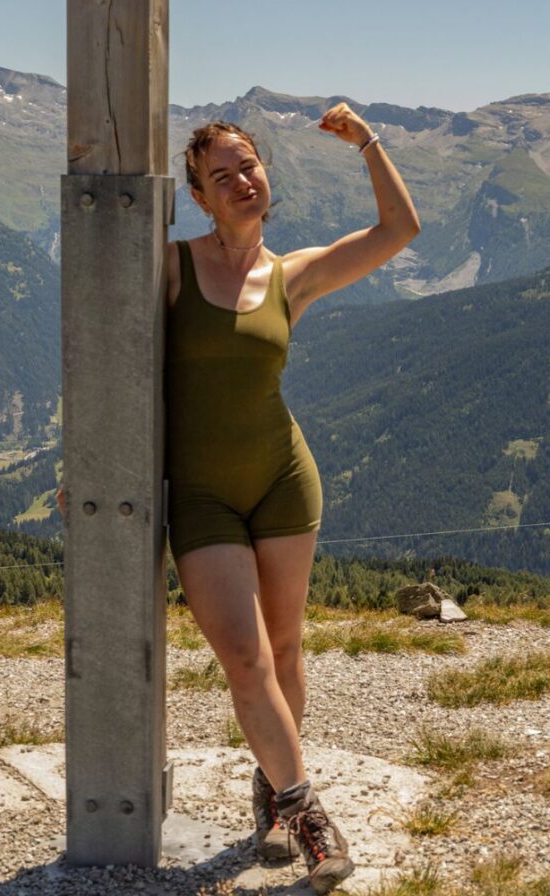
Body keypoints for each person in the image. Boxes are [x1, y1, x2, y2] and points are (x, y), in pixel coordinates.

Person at [167, 108, 417, 893]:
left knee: (284, 652)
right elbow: (107, 348)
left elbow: (398, 229)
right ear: (200, 198)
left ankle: (271, 790)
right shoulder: (170, 267)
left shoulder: (292, 274)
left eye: (250, 166)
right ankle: (310, 816)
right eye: (222, 175)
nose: (242, 181)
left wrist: (367, 141)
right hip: (202, 493)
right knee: (244, 659)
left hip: (283, 480)